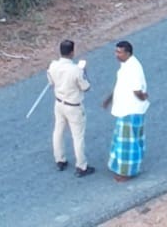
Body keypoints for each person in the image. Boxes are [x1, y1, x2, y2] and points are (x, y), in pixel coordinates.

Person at [101, 40, 148, 183]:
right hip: (125, 109)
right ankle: (120, 167)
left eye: (119, 52)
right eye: (116, 51)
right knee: (122, 141)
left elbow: (137, 90)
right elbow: (120, 85)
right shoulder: (125, 65)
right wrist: (109, 99)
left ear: (128, 53)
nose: (116, 55)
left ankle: (127, 173)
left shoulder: (133, 68)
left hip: (131, 110)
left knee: (128, 143)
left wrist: (143, 97)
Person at [48, 39, 94, 176]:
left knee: (58, 131)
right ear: (72, 52)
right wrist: (84, 71)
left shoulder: (53, 66)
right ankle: (81, 166)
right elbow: (86, 87)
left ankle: (60, 159)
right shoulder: (76, 70)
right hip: (73, 106)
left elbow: (51, 82)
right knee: (78, 136)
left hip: (59, 103)